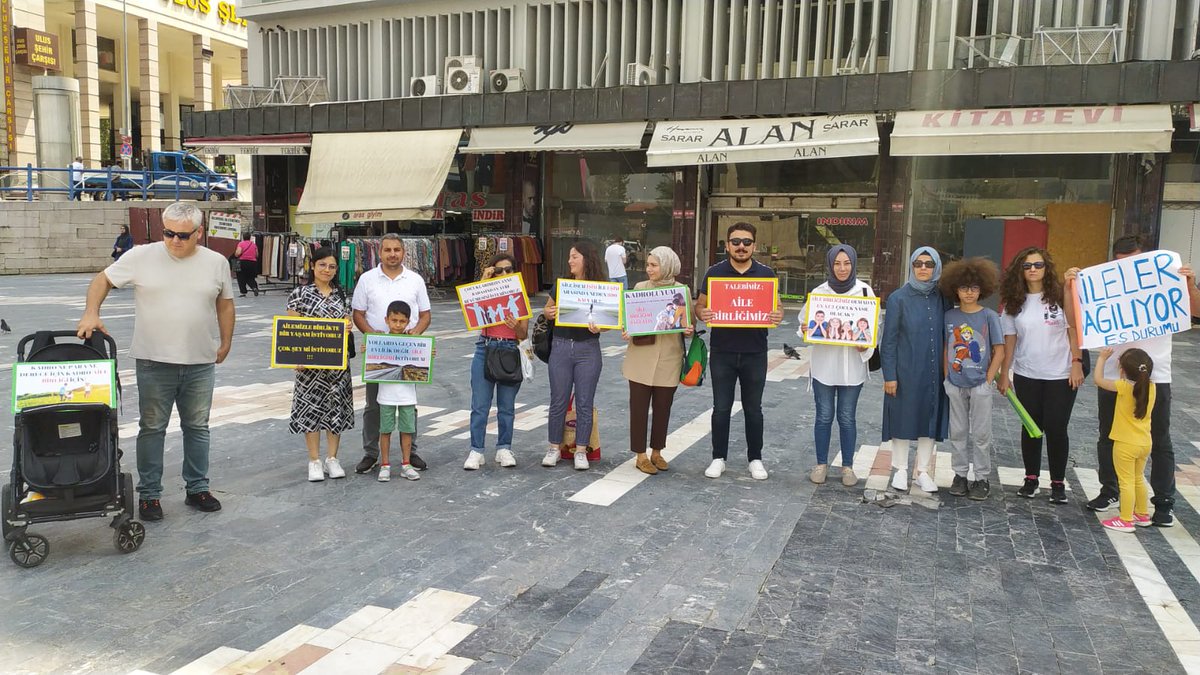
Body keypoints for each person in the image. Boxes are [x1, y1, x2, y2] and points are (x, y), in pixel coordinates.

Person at [76, 201, 235, 521]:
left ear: (199, 232)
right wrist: (91, 312)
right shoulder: (140, 256)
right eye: (168, 233)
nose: (175, 240)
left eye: (183, 235)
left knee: (197, 427)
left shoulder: (216, 262)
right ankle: (150, 495)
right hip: (153, 361)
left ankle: (197, 488)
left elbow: (225, 304)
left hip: (199, 362)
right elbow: (102, 280)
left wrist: (226, 341)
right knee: (151, 428)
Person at [1071, 235, 1200, 525]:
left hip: (1155, 377)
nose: (1126, 268)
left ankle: (1163, 502)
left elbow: (1196, 312)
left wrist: (1190, 286)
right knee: (1109, 435)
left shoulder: (1167, 281)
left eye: (1133, 262)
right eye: (1120, 263)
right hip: (1115, 376)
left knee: (1159, 438)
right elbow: (1075, 317)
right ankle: (1111, 490)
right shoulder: (1106, 286)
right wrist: (1072, 287)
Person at [697, 222, 784, 481]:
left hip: (754, 352)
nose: (741, 246)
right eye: (736, 242)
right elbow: (699, 306)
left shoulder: (766, 274)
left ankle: (755, 458)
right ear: (727, 245)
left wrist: (778, 315)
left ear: (754, 246)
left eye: (746, 242)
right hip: (722, 351)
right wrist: (702, 313)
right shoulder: (714, 273)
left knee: (753, 409)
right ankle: (718, 457)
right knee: (721, 408)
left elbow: (778, 307)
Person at [996, 247, 1082, 504]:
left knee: (1057, 428)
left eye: (1038, 265)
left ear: (1047, 268)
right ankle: (1031, 478)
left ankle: (1057, 483)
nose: (1032, 269)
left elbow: (1073, 330)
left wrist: (1076, 363)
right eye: (1027, 266)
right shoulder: (1013, 303)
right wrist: (1004, 373)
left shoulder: (1060, 295)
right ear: (1019, 271)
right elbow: (1010, 341)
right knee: (1031, 427)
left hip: (1061, 374)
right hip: (1027, 373)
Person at [351, 233, 431, 474]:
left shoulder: (415, 280)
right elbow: (358, 313)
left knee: (408, 404)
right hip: (379, 353)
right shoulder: (367, 279)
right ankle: (371, 453)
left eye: (397, 250)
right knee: (374, 405)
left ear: (403, 252)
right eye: (387, 250)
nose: (392, 254)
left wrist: (416, 333)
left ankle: (410, 452)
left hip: (408, 353)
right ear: (380, 252)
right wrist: (371, 335)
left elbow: (425, 315)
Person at [800, 244, 874, 487]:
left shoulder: (865, 292)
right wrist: (805, 329)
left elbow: (873, 329)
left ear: (854, 264)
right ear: (830, 266)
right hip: (824, 367)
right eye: (837, 264)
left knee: (847, 417)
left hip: (852, 368)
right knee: (823, 416)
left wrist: (865, 346)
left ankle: (847, 466)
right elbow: (804, 323)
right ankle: (821, 464)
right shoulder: (819, 292)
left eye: (847, 263)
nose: (842, 269)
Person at [881, 246, 950, 494]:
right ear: (911, 266)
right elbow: (888, 341)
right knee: (902, 417)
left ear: (937, 267)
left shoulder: (943, 297)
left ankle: (922, 471)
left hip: (934, 372)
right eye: (918, 263)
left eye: (929, 264)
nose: (923, 268)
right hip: (905, 371)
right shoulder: (898, 298)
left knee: (929, 419)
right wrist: (890, 375)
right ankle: (900, 469)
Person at [622, 246, 693, 475]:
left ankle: (657, 452)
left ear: (668, 267)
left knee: (663, 408)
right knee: (639, 408)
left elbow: (688, 323)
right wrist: (627, 330)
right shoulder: (640, 288)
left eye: (654, 265)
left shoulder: (682, 291)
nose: (649, 269)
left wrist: (688, 330)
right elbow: (629, 319)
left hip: (670, 358)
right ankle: (640, 455)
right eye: (648, 265)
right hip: (641, 357)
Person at [938, 258, 1005, 501]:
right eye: (964, 287)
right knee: (957, 431)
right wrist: (947, 377)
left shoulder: (989, 316)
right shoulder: (949, 316)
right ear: (955, 289)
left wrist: (988, 380)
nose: (969, 292)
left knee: (981, 433)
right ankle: (959, 475)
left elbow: (999, 350)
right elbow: (947, 347)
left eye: (974, 288)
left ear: (982, 289)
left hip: (979, 384)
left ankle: (982, 477)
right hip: (955, 383)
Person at [287, 247, 353, 482]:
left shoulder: (341, 296)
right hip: (309, 367)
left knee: (335, 411)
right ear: (313, 266)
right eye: (322, 265)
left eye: (332, 266)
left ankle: (332, 458)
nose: (327, 270)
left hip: (337, 365)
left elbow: (347, 322)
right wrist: (296, 357)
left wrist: (348, 326)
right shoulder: (299, 294)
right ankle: (314, 460)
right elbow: (291, 329)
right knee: (311, 409)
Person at [542, 240, 607, 471]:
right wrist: (549, 312)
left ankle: (581, 450)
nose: (570, 261)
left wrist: (601, 327)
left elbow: (610, 320)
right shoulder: (562, 285)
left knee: (584, 402)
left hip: (588, 348)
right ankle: (554, 447)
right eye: (570, 256)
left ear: (587, 259)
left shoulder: (602, 288)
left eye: (574, 256)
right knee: (558, 400)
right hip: (561, 346)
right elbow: (547, 310)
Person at [464, 254, 528, 471]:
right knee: (480, 405)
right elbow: (471, 313)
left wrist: (515, 326)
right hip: (485, 346)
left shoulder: (519, 295)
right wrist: (483, 281)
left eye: (508, 269)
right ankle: (476, 450)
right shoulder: (485, 291)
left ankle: (504, 447)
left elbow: (523, 333)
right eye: (498, 270)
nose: (504, 274)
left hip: (510, 349)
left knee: (506, 406)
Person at [1093, 347, 1156, 533]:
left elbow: (1098, 380)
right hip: (1144, 442)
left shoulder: (1123, 387)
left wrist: (1102, 358)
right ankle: (1142, 514)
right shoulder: (1152, 387)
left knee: (1126, 482)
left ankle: (1126, 519)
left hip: (1125, 444)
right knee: (1138, 478)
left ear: (1122, 370)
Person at [377, 301, 421, 482]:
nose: (397, 324)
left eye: (402, 321)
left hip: (407, 395)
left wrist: (428, 354)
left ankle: (406, 464)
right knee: (385, 430)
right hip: (386, 395)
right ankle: (385, 465)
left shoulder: (414, 342)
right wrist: (367, 349)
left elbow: (422, 360)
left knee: (407, 430)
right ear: (386, 320)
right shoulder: (379, 341)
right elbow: (372, 361)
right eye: (394, 320)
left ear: (408, 322)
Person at [233, 232, 261, 297]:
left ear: (243, 237)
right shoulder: (253, 244)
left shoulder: (241, 243)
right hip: (252, 263)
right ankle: (254, 287)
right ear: (250, 237)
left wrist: (236, 254)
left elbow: (238, 253)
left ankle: (243, 292)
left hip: (242, 262)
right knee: (250, 277)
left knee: (241, 277)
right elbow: (257, 255)